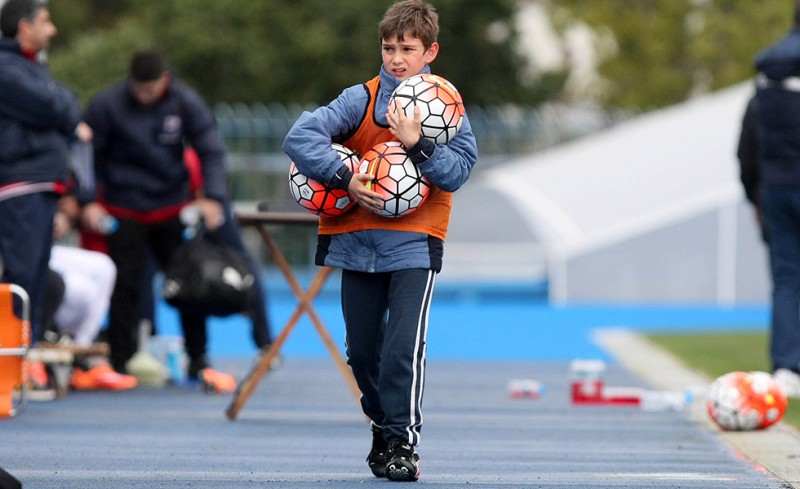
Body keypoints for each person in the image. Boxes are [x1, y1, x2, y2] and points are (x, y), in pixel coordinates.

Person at [283, 0, 478, 481]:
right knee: (362, 353)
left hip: (414, 243)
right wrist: (344, 177)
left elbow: (458, 171)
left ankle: (402, 443)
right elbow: (299, 137)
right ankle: (381, 423)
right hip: (356, 242)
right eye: (389, 48)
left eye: (407, 49)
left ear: (430, 51)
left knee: (401, 350)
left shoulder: (445, 106)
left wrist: (418, 145)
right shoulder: (361, 99)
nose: (396, 59)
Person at [81, 49, 273, 391]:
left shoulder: (185, 101)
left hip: (171, 207)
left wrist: (213, 196)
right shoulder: (107, 105)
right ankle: (122, 360)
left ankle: (198, 357)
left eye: (151, 88)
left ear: (165, 80)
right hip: (125, 208)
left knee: (191, 282)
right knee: (125, 286)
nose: (144, 95)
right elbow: (86, 156)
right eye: (138, 88)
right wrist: (88, 201)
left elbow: (210, 149)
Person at [0, 0, 89, 343]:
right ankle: (11, 355)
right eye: (45, 21)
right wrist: (60, 110)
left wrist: (60, 107)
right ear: (25, 26)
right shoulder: (6, 67)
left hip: (42, 183)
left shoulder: (32, 66)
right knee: (21, 276)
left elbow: (67, 102)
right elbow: (52, 105)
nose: (52, 30)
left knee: (38, 277)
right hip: (19, 185)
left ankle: (26, 353)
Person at [752, 1, 800, 398]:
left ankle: (787, 367)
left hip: (777, 188)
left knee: (787, 278)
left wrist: (755, 193)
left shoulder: (767, 68)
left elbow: (748, 139)